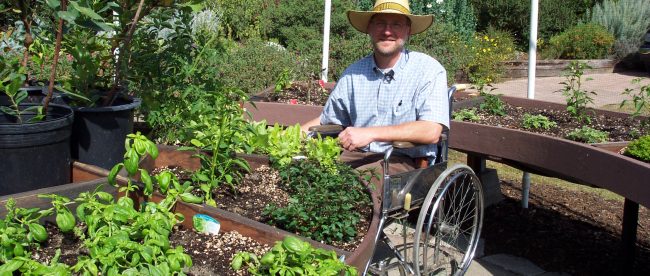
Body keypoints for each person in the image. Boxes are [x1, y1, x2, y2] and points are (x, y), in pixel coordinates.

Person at [301, 0, 449, 175]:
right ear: (370, 28)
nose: (387, 31)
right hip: (356, 156)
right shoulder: (353, 74)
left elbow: (431, 131)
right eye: (380, 23)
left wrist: (370, 133)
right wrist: (290, 136)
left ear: (408, 30)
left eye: (396, 24)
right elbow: (327, 119)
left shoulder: (428, 70)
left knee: (349, 188)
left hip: (405, 162)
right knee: (306, 173)